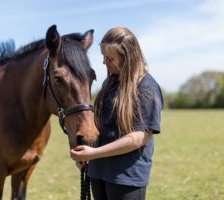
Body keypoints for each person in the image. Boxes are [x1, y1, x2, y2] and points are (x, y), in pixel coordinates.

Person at [70, 27, 163, 200]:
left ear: (128, 57)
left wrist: (93, 153)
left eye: (110, 57)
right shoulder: (109, 83)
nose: (105, 62)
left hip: (126, 177)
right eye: (103, 56)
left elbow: (139, 137)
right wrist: (85, 152)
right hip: (98, 172)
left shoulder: (147, 88)